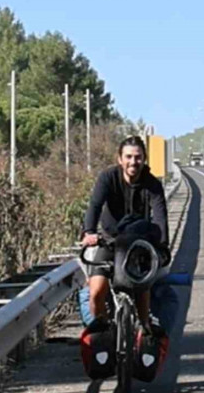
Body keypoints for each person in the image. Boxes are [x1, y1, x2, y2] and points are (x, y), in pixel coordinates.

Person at [81, 136, 169, 333]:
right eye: (128, 157)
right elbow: (95, 206)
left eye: (137, 157)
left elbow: (160, 215)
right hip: (109, 242)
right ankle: (102, 335)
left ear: (144, 159)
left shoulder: (152, 184)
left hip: (138, 243)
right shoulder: (108, 177)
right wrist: (89, 232)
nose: (133, 162)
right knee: (96, 293)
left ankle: (144, 330)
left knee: (142, 287)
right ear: (119, 159)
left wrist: (162, 245)